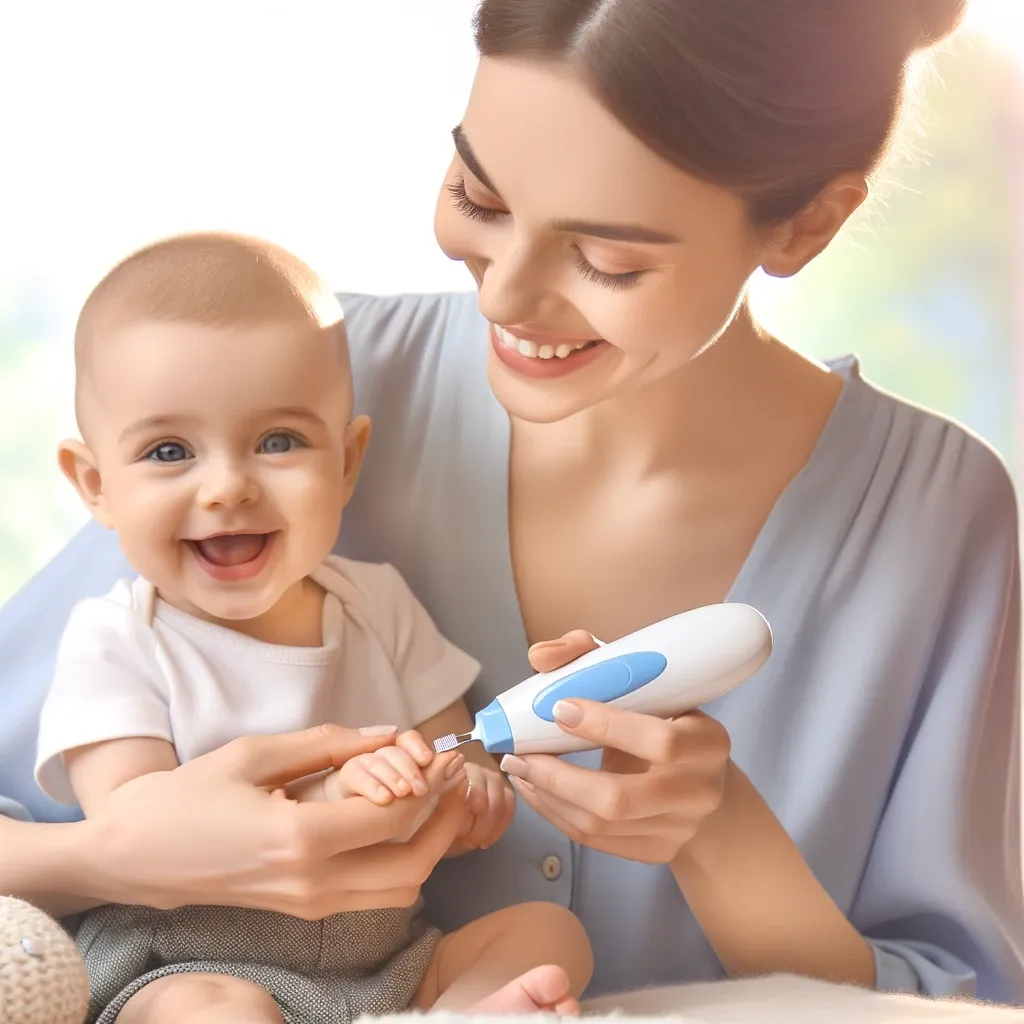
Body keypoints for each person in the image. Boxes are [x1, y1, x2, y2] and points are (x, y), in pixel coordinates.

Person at [1, 0, 1022, 1010]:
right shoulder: (291, 382)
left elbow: (959, 999)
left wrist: (717, 834)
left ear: (808, 222)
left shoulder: (935, 513)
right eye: (477, 198)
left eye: (607, 260)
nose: (503, 298)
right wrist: (119, 853)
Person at [29, 232, 592, 1024]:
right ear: (96, 485)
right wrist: (330, 792)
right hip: (188, 961)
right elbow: (134, 822)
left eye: (278, 442)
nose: (227, 487)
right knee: (214, 1012)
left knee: (549, 931)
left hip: (385, 960)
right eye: (168, 451)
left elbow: (460, 748)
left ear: (347, 461)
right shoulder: (120, 639)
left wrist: (469, 791)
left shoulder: (379, 604)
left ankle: (448, 1017)